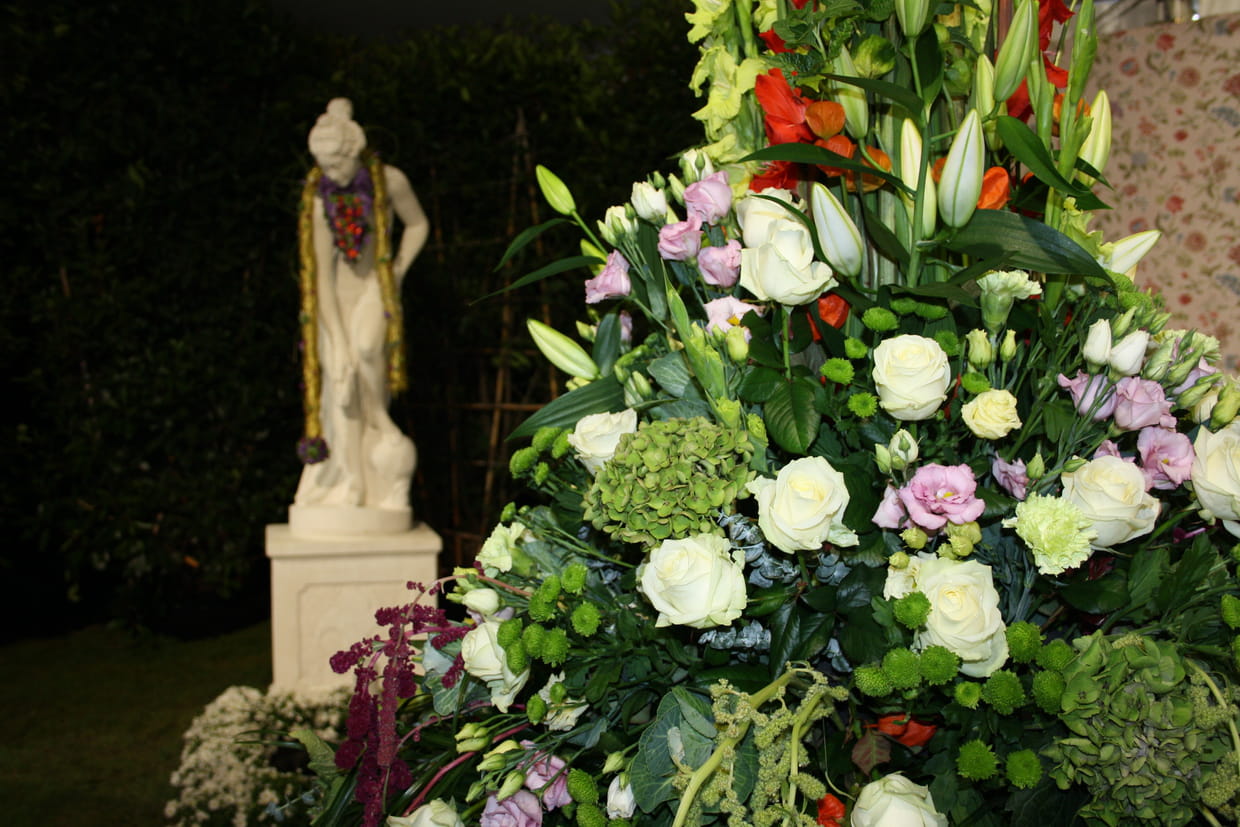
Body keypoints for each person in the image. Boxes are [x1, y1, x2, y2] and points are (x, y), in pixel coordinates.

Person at [291, 98, 429, 532]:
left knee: (368, 350)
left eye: (335, 164)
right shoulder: (321, 198)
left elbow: (418, 224)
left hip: (375, 288)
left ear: (353, 151)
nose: (330, 174)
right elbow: (321, 276)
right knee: (340, 386)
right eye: (323, 166)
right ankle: (353, 481)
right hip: (336, 301)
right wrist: (335, 342)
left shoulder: (388, 182)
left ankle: (384, 433)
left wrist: (397, 271)